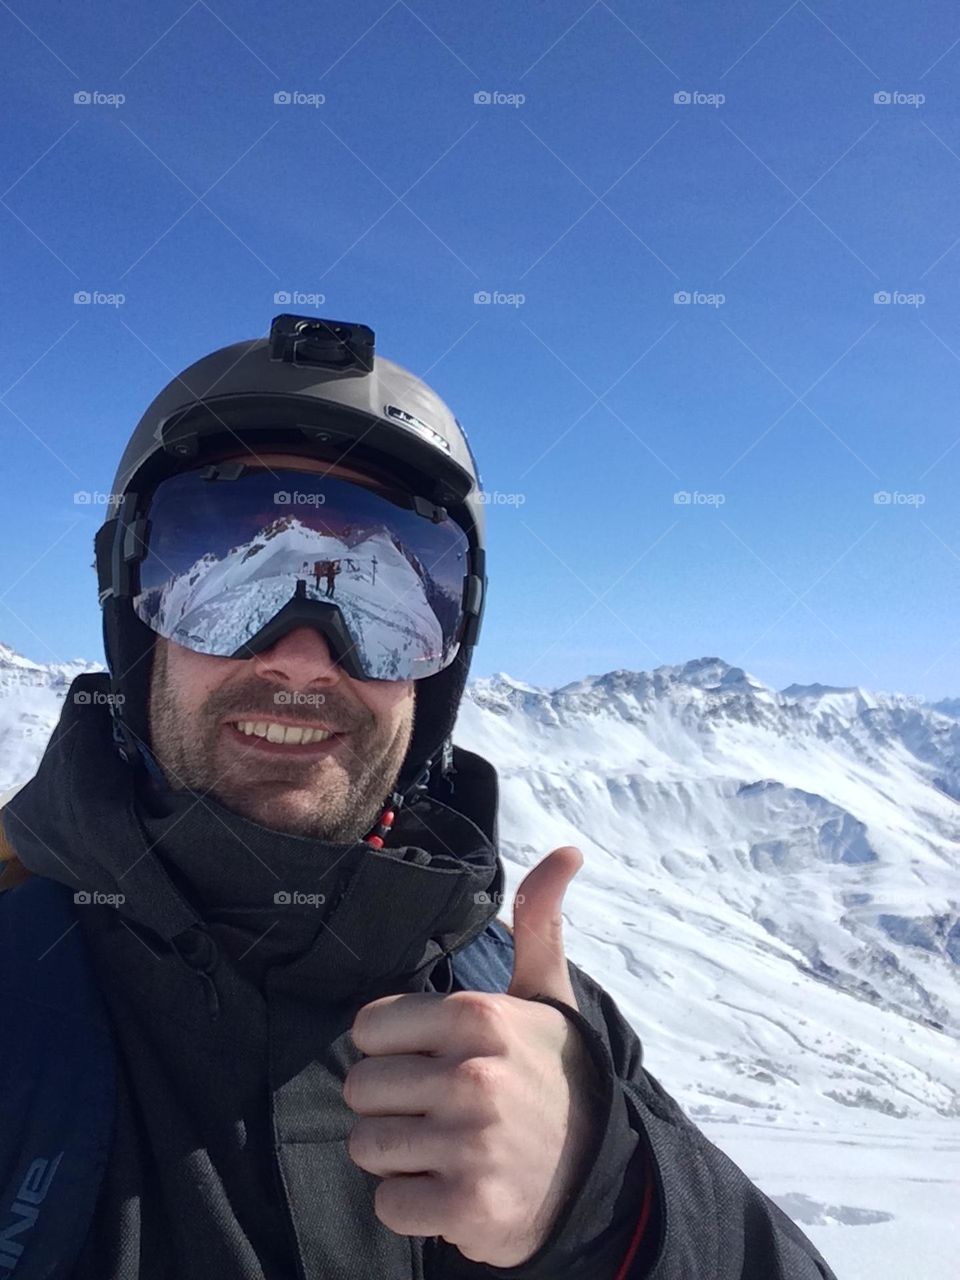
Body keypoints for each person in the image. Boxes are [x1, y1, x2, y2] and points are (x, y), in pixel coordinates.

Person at [0, 314, 837, 1279]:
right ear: (131, 617)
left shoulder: (523, 1014)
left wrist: (608, 1203)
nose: (303, 657)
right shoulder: (21, 978)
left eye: (383, 600)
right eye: (222, 574)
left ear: (438, 669)